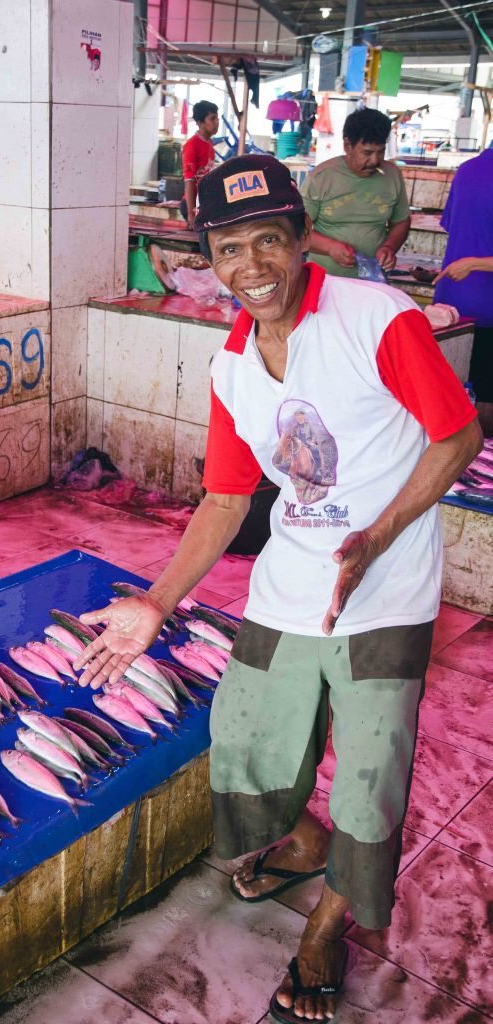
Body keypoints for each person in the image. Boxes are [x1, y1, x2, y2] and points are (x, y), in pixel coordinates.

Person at [75, 154, 481, 1023]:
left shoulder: (377, 317)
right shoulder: (231, 365)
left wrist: (379, 535)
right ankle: (303, 841)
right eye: (229, 249)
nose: (252, 266)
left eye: (269, 240)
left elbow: (457, 435)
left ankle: (327, 929)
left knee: (370, 776)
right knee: (246, 745)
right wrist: (156, 601)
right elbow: (227, 500)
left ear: (302, 240)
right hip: (287, 585)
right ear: (207, 261)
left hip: (386, 595)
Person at [301, 108, 411, 277]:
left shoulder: (392, 175)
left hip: (373, 279)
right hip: (325, 279)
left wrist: (390, 247)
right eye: (367, 153)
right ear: (347, 146)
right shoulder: (321, 177)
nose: (374, 160)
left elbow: (401, 221)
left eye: (380, 152)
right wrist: (329, 247)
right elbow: (296, 229)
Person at [433, 145, 493, 436]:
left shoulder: (466, 170)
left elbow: (457, 228)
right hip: (487, 308)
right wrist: (476, 264)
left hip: (450, 302)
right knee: (486, 398)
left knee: (450, 396)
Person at [180, 100, 219, 230]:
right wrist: (191, 213)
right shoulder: (192, 145)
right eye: (212, 119)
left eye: (217, 118)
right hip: (193, 205)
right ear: (200, 122)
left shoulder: (209, 142)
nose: (217, 122)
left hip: (204, 204)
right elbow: (189, 181)